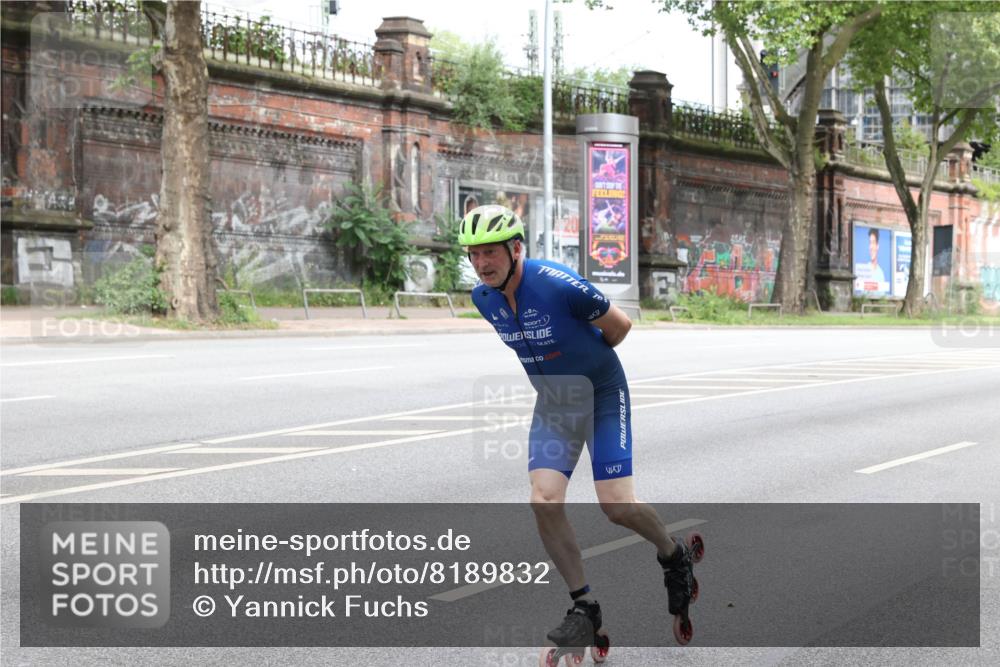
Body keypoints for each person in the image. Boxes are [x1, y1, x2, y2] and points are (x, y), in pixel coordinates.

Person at [458, 205, 703, 656]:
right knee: (543, 498)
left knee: (617, 506)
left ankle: (673, 554)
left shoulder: (554, 281)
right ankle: (584, 606)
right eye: (473, 255)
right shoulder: (484, 298)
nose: (481, 264)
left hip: (603, 394)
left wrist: (590, 368)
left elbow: (620, 325)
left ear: (515, 249)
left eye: (490, 252)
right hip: (556, 404)